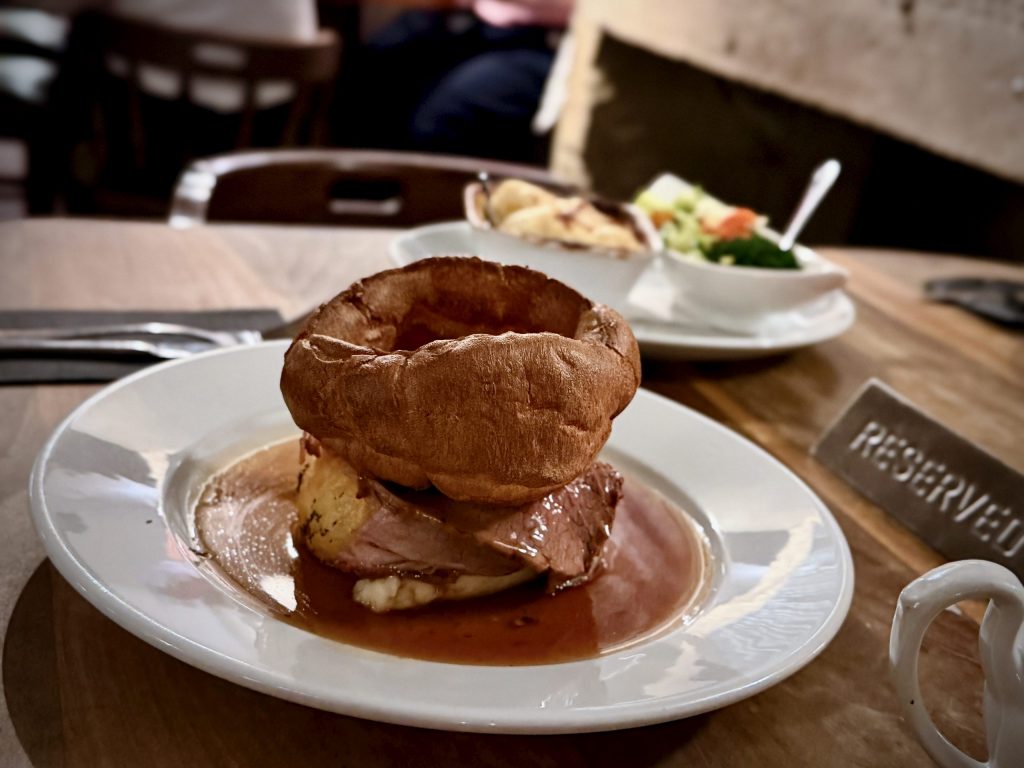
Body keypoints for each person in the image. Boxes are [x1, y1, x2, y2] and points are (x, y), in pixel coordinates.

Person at [339, 0, 574, 164]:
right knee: (375, 62)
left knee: (445, 115)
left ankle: (440, 208)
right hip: (482, 19)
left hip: (557, 43)